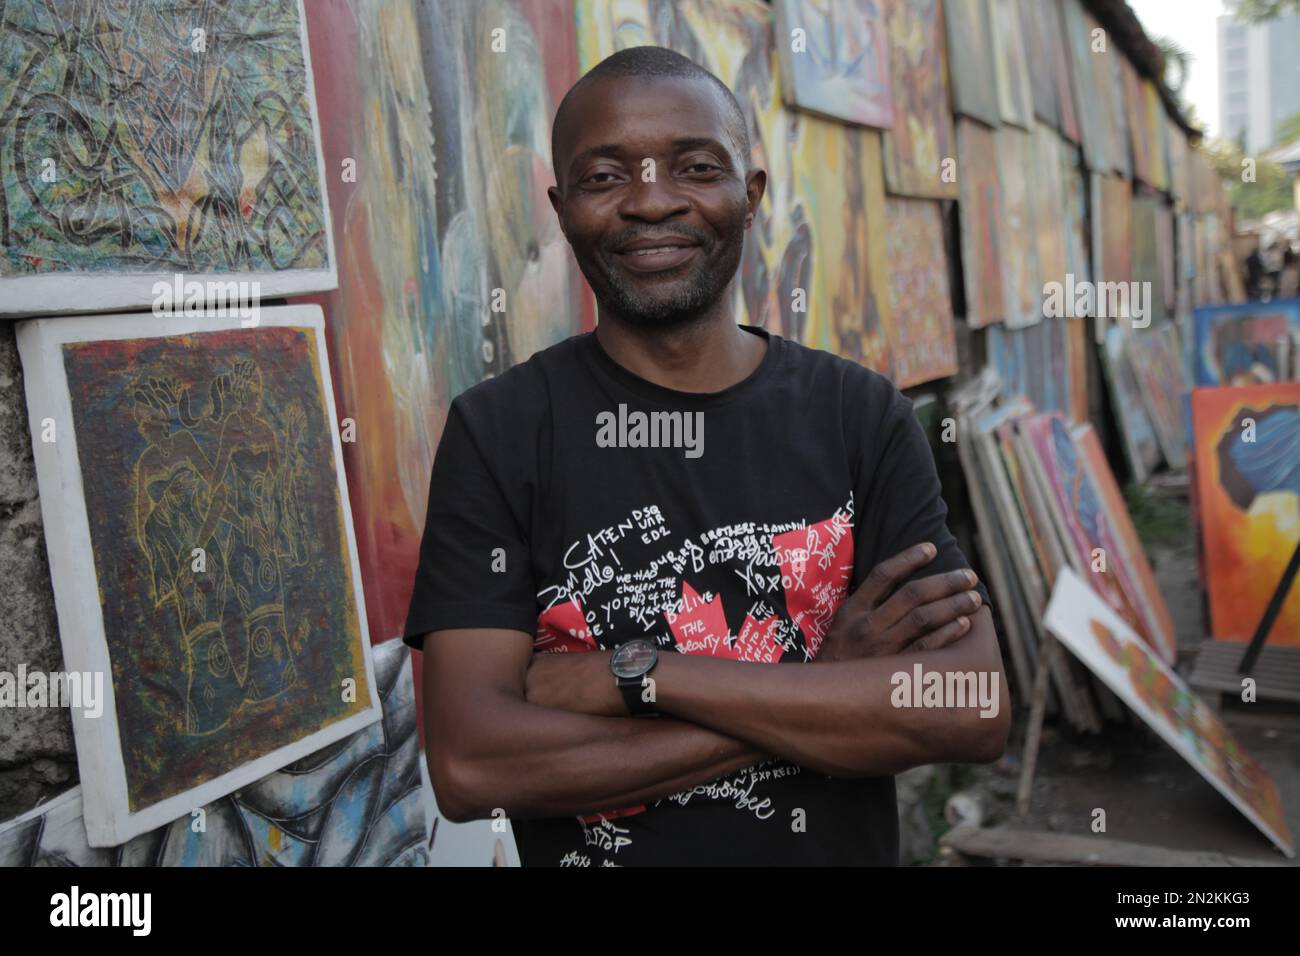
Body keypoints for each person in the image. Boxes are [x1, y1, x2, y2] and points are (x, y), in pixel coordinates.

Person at [402, 46, 1008, 866]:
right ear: (561, 206)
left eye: (694, 166)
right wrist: (819, 689)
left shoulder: (860, 415)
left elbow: (968, 706)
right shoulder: (501, 432)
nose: (652, 202)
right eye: (605, 177)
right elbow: (472, 766)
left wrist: (641, 676)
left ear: (750, 195)